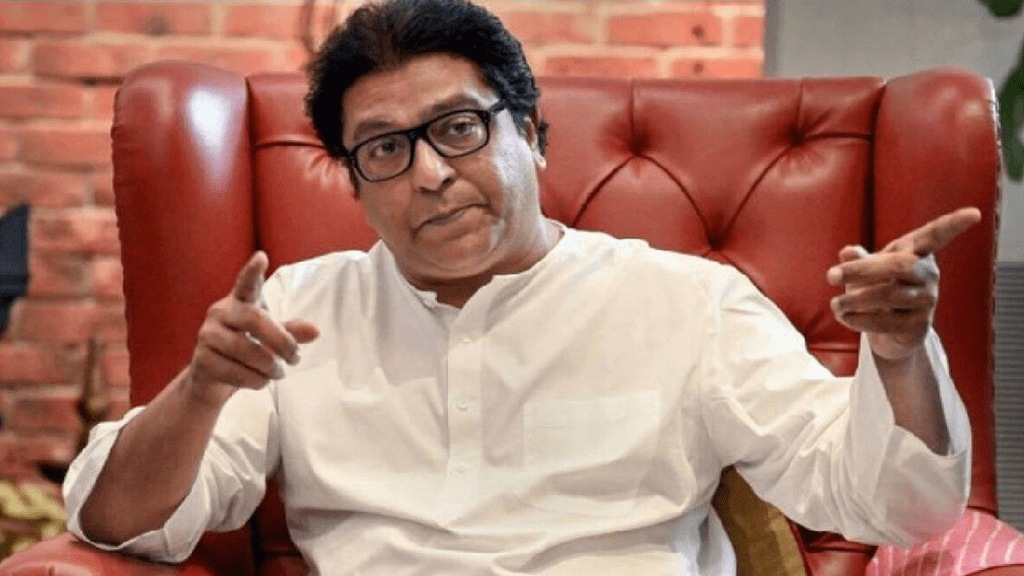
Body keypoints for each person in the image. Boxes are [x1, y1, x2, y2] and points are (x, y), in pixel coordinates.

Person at [64, 0, 979, 573]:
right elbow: (118, 524)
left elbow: (893, 504)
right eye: (383, 149)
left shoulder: (686, 302)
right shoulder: (295, 313)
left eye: (458, 128)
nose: (429, 175)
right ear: (354, 182)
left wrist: (898, 351)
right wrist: (200, 392)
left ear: (532, 135)